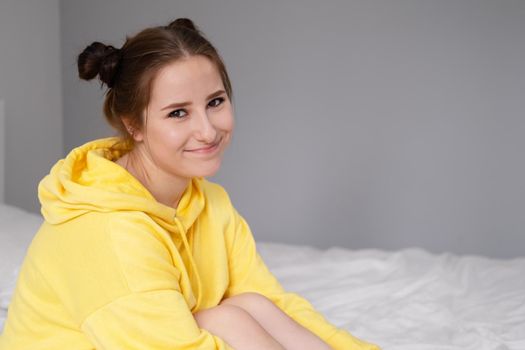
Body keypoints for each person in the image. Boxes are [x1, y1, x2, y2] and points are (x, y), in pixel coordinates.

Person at [0, 18, 379, 350]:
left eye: (215, 102)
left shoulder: (210, 202)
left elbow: (274, 304)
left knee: (250, 307)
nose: (207, 130)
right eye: (178, 112)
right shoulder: (107, 234)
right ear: (134, 125)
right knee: (226, 319)